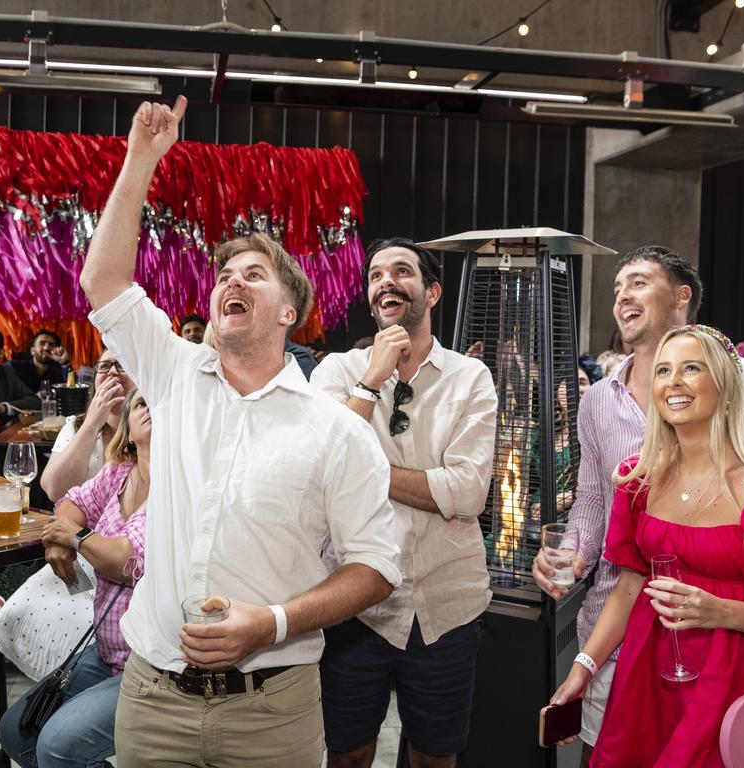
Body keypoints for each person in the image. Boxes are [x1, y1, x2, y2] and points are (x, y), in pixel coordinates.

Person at [79, 95, 401, 768]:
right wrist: (142, 157)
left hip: (271, 712)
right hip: (153, 699)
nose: (232, 281)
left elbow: (376, 569)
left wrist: (272, 623)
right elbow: (104, 280)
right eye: (225, 274)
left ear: (289, 311)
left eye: (253, 275)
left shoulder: (332, 430)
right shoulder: (175, 372)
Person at [532, 245, 744, 766]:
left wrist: (719, 609)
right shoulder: (626, 459)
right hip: (629, 652)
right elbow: (594, 507)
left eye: (637, 281)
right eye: (616, 287)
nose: (622, 296)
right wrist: (572, 555)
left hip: (739, 668)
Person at [311, 237, 497, 768]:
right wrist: (370, 381)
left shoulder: (470, 377)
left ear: (432, 292)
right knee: (346, 754)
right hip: (353, 605)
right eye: (374, 275)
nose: (385, 281)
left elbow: (467, 493)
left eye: (401, 271)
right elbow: (324, 471)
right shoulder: (336, 373)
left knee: (434, 758)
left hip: (447, 603)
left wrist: (366, 473)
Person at [0, 389, 151, 767]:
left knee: (57, 746)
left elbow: (126, 560)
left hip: (150, 664)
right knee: (15, 731)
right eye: (142, 404)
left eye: (162, 402)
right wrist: (61, 540)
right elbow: (71, 503)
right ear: (128, 427)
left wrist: (75, 538)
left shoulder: (183, 486)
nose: (152, 410)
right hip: (106, 651)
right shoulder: (119, 473)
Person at [41, 349, 134, 501]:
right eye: (104, 366)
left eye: (122, 365)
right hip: (77, 523)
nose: (112, 372)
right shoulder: (75, 425)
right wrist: (92, 423)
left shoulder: (152, 429)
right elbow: (54, 490)